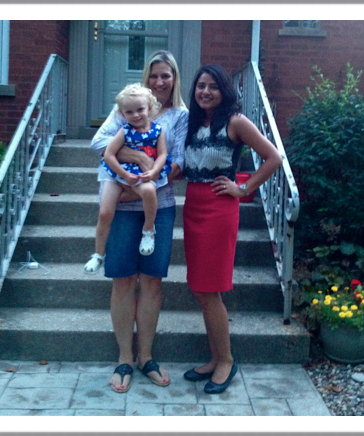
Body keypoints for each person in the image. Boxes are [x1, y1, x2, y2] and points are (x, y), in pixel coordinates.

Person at [89, 51, 188, 393]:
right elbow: (99, 143)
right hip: (121, 210)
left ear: (174, 78)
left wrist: (142, 184)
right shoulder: (129, 106)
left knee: (152, 283)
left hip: (158, 207)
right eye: (154, 75)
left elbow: (179, 161)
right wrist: (134, 157)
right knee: (122, 281)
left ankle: (145, 356)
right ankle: (124, 358)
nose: (159, 81)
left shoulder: (180, 116)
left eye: (166, 75)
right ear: (146, 77)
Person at [182, 65, 282, 394]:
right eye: (200, 86)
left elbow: (273, 158)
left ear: (224, 90)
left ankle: (226, 360)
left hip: (219, 208)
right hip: (193, 206)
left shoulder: (235, 121)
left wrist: (243, 188)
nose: (205, 91)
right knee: (200, 289)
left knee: (210, 289)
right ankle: (215, 357)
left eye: (213, 86)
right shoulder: (193, 122)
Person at [95, 83, 173, 258]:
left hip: (142, 173)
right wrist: (123, 175)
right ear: (122, 114)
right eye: (129, 112)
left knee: (149, 190)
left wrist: (154, 171)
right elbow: (108, 154)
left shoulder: (158, 130)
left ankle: (148, 230)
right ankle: (98, 254)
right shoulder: (124, 131)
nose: (135, 115)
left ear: (149, 108)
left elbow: (162, 154)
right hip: (119, 171)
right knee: (105, 212)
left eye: (140, 110)